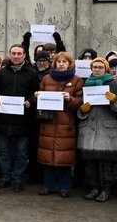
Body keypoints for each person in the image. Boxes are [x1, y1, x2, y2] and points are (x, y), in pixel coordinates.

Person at [0, 44, 39, 192]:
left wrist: (30, 101)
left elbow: (36, 92)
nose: (16, 56)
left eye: (19, 54)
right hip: (3, 119)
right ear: (10, 54)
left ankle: (18, 179)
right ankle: (5, 177)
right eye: (13, 53)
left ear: (24, 55)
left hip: (23, 121)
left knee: (21, 153)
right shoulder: (2, 72)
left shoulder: (32, 73)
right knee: (3, 152)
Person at [77, 57, 117, 202]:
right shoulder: (86, 84)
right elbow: (80, 107)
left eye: (100, 67)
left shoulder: (114, 84)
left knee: (107, 162)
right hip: (88, 128)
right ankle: (94, 188)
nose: (97, 70)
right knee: (90, 162)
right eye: (95, 67)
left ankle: (106, 189)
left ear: (106, 69)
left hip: (106, 128)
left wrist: (115, 101)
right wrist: (82, 110)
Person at [35, 51, 84, 197]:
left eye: (64, 62)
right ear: (54, 63)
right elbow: (40, 99)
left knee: (65, 158)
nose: (61, 64)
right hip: (48, 124)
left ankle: (64, 187)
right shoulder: (46, 79)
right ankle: (47, 186)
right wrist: (37, 96)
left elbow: (80, 103)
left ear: (70, 64)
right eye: (59, 61)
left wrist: (71, 99)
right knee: (48, 157)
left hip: (66, 124)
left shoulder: (77, 80)